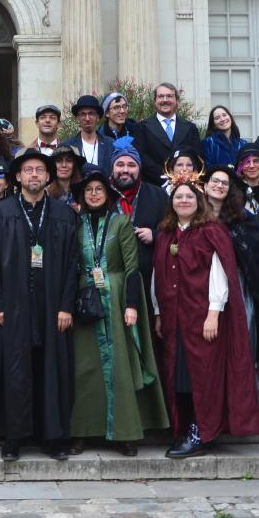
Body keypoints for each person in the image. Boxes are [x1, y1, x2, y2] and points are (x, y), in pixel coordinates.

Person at [152, 176, 259, 458]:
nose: (184, 201)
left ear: (198, 201)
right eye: (178, 197)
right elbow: (157, 275)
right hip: (175, 319)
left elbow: (219, 273)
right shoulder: (166, 234)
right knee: (179, 377)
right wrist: (158, 312)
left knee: (202, 376)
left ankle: (202, 432)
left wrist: (213, 313)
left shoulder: (211, 231)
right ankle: (188, 428)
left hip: (202, 318)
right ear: (171, 203)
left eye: (189, 196)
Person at [0, 149, 78, 462]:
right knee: (15, 369)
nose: (34, 175)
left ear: (48, 176)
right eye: (28, 170)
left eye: (39, 170)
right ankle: (14, 437)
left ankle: (53, 437)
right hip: (13, 304)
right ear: (18, 176)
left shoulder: (64, 215)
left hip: (52, 304)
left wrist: (66, 306)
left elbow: (73, 264)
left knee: (51, 367)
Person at [69, 169, 168, 457]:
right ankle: (82, 431)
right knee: (85, 368)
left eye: (99, 189)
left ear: (108, 194)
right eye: (89, 190)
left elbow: (132, 267)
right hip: (84, 300)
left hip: (116, 299)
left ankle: (125, 433)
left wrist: (132, 305)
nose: (94, 194)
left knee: (120, 367)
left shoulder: (121, 222)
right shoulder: (75, 224)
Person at [205, 166, 259, 394]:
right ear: (205, 185)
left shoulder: (241, 216)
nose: (219, 185)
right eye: (215, 181)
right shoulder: (195, 212)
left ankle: (247, 383)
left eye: (224, 183)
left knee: (243, 330)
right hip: (201, 284)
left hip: (238, 283)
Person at [108, 138, 168, 299]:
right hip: (112, 280)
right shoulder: (100, 196)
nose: (125, 170)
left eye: (131, 165)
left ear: (139, 169)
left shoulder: (158, 195)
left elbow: (174, 231)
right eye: (120, 164)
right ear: (112, 168)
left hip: (149, 280)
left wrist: (155, 235)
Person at [132, 82, 201, 188]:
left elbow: (196, 156)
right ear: (155, 101)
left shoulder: (190, 128)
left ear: (177, 101)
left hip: (185, 186)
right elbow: (141, 157)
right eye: (160, 96)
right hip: (153, 186)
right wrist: (166, 177)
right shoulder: (142, 128)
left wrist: (181, 178)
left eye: (169, 96)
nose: (165, 100)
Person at [63, 95, 115, 174]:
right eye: (83, 114)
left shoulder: (110, 144)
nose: (87, 118)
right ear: (77, 119)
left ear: (98, 117)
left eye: (91, 113)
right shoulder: (68, 145)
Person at [46, 145, 82, 209]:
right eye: (59, 161)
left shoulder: (83, 193)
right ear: (53, 165)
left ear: (74, 165)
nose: (64, 165)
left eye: (69, 161)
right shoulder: (45, 193)